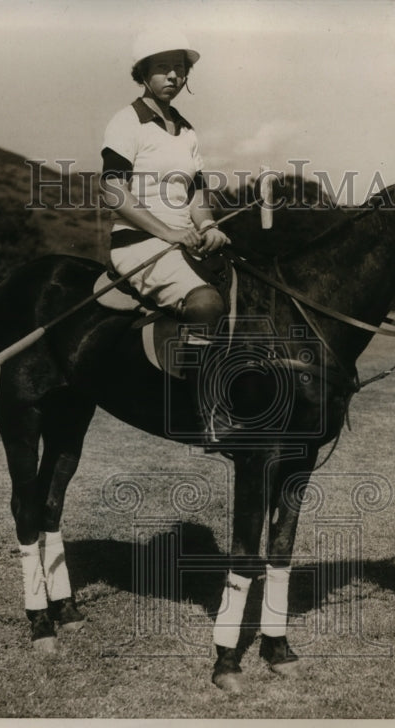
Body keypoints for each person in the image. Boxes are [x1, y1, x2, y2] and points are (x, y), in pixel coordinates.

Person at [100, 30, 233, 442]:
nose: (173, 75)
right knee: (207, 302)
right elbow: (111, 190)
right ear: (143, 73)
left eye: (180, 67)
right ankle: (204, 410)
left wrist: (208, 226)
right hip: (136, 245)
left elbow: (195, 194)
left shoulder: (187, 131)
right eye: (162, 67)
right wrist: (170, 233)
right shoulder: (127, 121)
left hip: (179, 242)